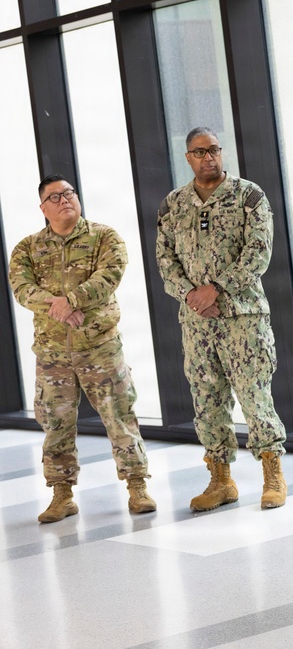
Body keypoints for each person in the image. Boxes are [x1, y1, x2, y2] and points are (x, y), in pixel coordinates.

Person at [8, 174, 157, 523]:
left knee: (120, 418)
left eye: (69, 193)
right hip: (52, 353)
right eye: (55, 197)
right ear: (42, 207)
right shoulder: (27, 248)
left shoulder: (105, 237)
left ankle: (137, 487)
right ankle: (62, 495)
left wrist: (72, 300)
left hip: (100, 348)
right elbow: (21, 288)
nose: (65, 200)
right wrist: (56, 305)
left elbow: (109, 275)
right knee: (55, 424)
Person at [155, 127, 288, 512]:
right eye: (199, 152)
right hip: (197, 323)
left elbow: (258, 253)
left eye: (214, 150)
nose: (208, 157)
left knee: (255, 395)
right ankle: (220, 480)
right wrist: (192, 297)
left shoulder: (249, 196)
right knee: (206, 399)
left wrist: (217, 288)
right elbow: (166, 261)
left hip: (243, 318)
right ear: (188, 158)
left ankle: (272, 474)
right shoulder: (173, 205)